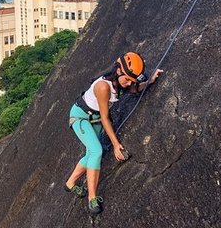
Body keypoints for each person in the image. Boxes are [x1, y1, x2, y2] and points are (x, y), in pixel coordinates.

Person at [64, 52, 163, 214]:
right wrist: (116, 144)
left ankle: (70, 183)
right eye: (126, 79)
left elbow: (135, 88)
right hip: (81, 117)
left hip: (93, 119)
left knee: (91, 154)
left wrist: (150, 80)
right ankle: (92, 198)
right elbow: (105, 117)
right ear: (118, 71)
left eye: (131, 80)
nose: (127, 83)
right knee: (97, 151)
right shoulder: (103, 87)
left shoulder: (121, 82)